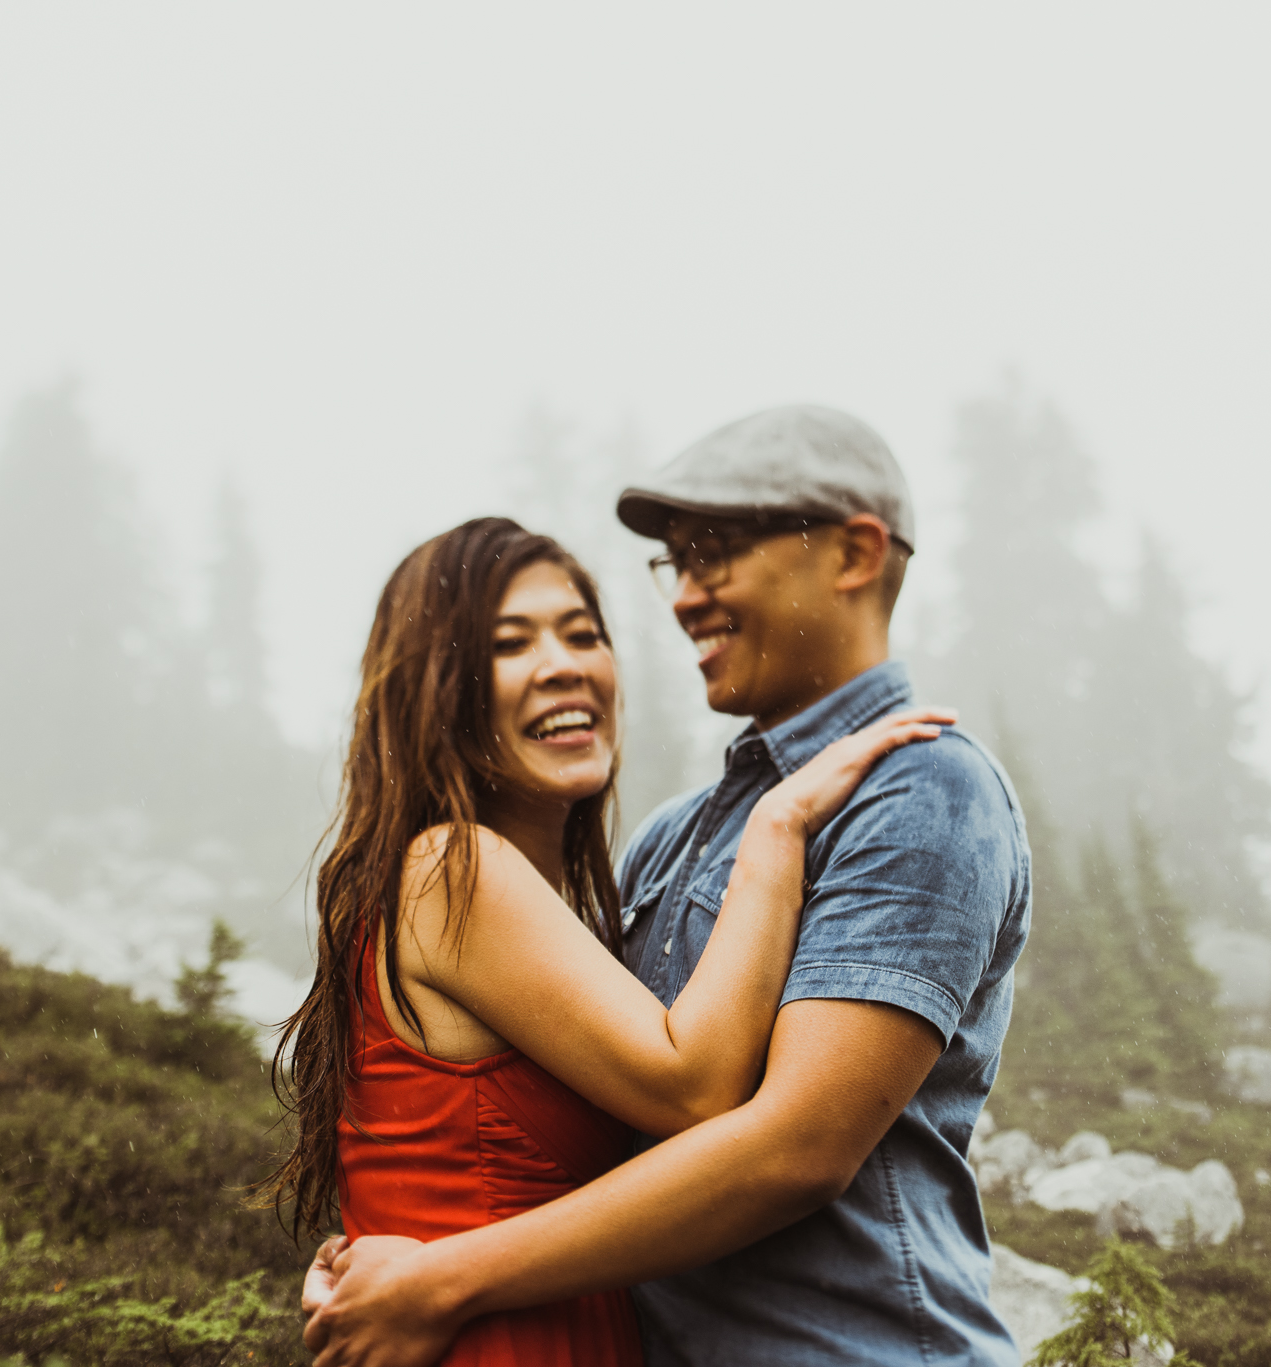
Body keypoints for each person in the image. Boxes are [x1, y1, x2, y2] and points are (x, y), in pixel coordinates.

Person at [305, 407, 1033, 1367]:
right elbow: (567, 1122)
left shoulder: (922, 788)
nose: (686, 595)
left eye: (715, 553)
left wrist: (439, 1274)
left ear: (855, 555)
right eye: (675, 564)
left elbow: (795, 1150)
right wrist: (384, 1256)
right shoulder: (666, 840)